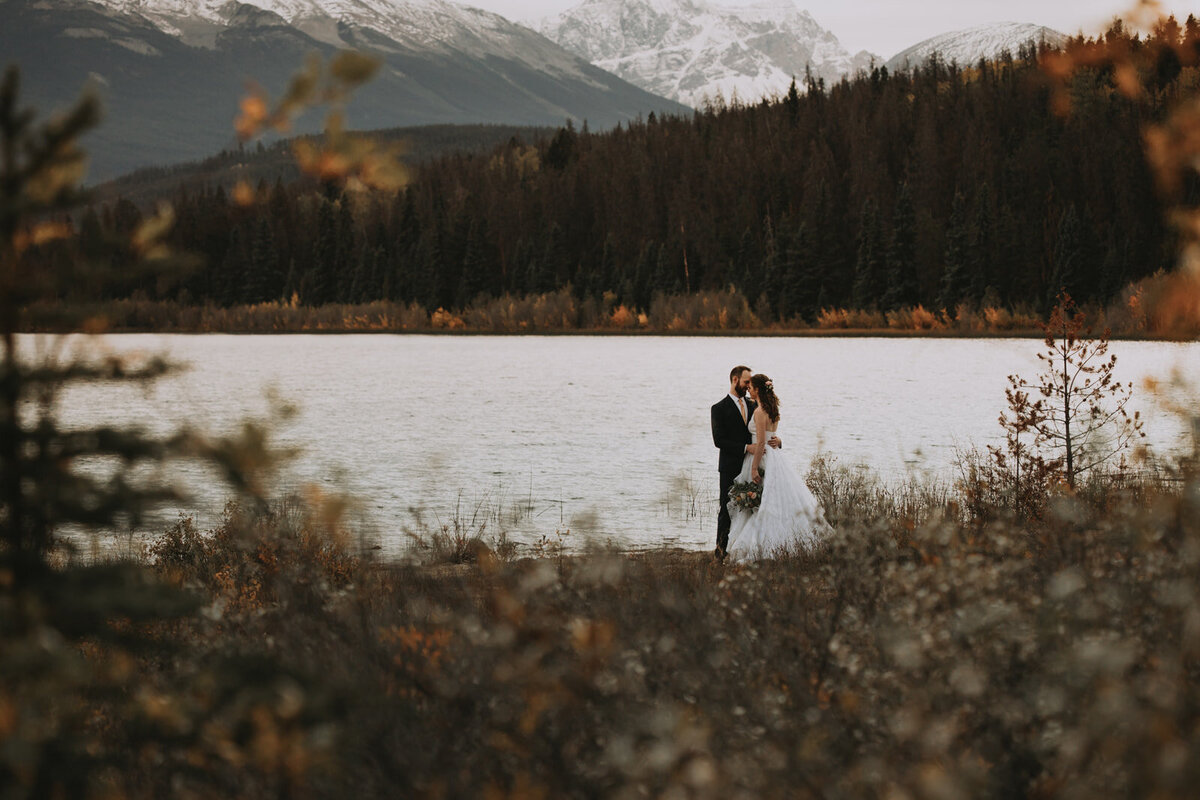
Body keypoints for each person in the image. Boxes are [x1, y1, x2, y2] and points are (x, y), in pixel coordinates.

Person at [725, 373, 832, 562]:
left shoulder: (758, 412)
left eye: (751, 387)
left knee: (762, 503)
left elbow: (759, 443)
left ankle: (761, 546)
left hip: (762, 457)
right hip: (776, 457)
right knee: (772, 501)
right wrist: (778, 440)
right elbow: (771, 435)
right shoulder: (773, 410)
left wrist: (754, 469)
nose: (748, 389)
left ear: (758, 389)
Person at [710, 365, 779, 560]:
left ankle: (745, 548)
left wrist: (778, 441)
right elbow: (719, 440)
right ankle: (720, 550)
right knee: (727, 506)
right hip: (731, 464)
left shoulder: (754, 405)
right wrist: (745, 447)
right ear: (735, 380)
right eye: (746, 382)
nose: (749, 386)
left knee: (753, 506)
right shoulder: (719, 408)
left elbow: (765, 431)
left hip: (753, 464)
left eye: (751, 383)